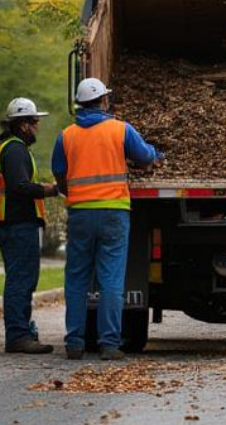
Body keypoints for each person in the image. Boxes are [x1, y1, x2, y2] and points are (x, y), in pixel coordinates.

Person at [52, 77, 163, 360]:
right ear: (104, 101)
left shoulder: (66, 136)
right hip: (113, 212)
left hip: (80, 214)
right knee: (111, 279)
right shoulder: (120, 130)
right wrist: (157, 154)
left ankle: (75, 344)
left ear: (79, 104)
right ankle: (109, 344)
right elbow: (144, 156)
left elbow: (60, 176)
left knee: (76, 279)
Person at [0, 97, 61, 354]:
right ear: (22, 125)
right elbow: (20, 187)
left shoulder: (11, 147)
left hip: (14, 223)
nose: (38, 126)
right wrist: (52, 190)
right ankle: (18, 336)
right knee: (21, 280)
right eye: (34, 122)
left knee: (21, 279)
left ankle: (22, 332)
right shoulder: (15, 150)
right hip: (18, 224)